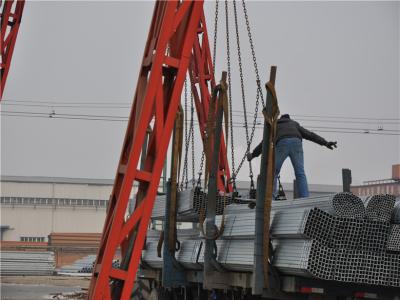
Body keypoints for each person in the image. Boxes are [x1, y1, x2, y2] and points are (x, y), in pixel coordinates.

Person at [247, 114, 337, 198]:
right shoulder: (294, 124)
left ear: (280, 119)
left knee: (274, 172)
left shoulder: (276, 125)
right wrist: (325, 143)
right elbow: (310, 135)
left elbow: (264, 143)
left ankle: (271, 197)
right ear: (289, 119)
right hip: (296, 143)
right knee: (300, 172)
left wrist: (253, 155)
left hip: (282, 143)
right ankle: (305, 197)